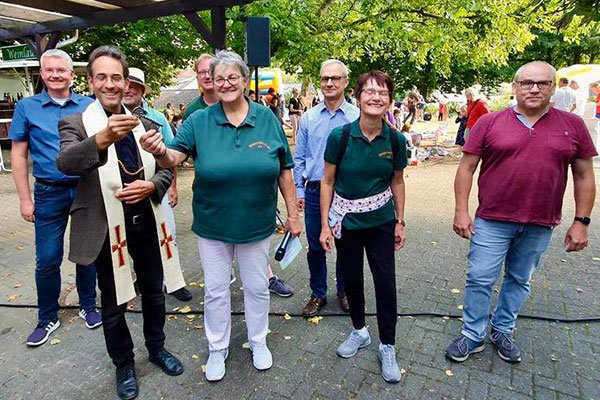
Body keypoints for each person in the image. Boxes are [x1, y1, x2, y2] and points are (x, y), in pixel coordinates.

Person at [139, 50, 302, 382]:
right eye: (219, 78)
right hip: (213, 224)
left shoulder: (266, 118)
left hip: (256, 223)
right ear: (210, 82)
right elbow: (175, 157)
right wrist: (159, 151)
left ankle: (258, 341)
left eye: (232, 77)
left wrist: (294, 215)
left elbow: (285, 170)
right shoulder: (200, 120)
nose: (226, 84)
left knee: (257, 287)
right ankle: (217, 348)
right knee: (215, 290)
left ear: (244, 80)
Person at [446, 61, 597, 364]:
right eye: (527, 83)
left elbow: (584, 176)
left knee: (519, 279)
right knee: (479, 277)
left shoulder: (573, 125)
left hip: (541, 222)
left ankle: (503, 328)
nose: (534, 88)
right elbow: (466, 168)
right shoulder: (490, 122)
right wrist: (461, 211)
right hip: (492, 219)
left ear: (553, 88)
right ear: (515, 87)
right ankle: (473, 334)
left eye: (542, 83)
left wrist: (581, 222)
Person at [57, 46, 185, 400]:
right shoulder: (77, 123)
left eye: (116, 77)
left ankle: (156, 348)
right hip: (105, 229)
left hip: (147, 221)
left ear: (125, 81)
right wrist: (102, 138)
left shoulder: (144, 123)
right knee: (114, 302)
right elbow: (66, 163)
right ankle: (123, 363)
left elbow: (165, 169)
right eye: (102, 77)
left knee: (154, 293)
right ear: (91, 82)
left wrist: (152, 185)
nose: (110, 84)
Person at [8, 49, 101, 347]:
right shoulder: (27, 107)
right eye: (50, 70)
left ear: (72, 75)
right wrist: (25, 198)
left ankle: (89, 306)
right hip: (48, 191)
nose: (56, 74)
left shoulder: (89, 105)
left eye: (61, 70)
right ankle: (47, 316)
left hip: (86, 187)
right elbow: (19, 155)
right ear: (42, 73)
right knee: (47, 258)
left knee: (86, 253)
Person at [320, 70, 407, 383]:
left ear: (389, 100)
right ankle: (359, 331)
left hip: (382, 222)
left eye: (382, 92)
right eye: (369, 91)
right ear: (358, 97)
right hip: (347, 222)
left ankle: (387, 345)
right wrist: (325, 226)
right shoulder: (340, 137)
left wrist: (399, 221)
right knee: (352, 280)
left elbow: (397, 181)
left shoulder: (396, 140)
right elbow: (327, 181)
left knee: (385, 283)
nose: (375, 97)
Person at [293, 59, 360, 317]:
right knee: (315, 245)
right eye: (325, 79)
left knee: (346, 244)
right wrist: (299, 191)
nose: (329, 83)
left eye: (335, 78)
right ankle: (318, 293)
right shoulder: (309, 118)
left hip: (346, 193)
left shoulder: (357, 117)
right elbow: (299, 159)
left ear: (345, 82)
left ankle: (344, 291)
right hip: (313, 191)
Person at [123, 67, 193, 302]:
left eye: (135, 86)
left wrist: (172, 187)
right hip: (124, 193)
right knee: (131, 240)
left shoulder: (157, 118)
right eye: (127, 85)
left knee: (167, 234)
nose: (129, 90)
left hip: (157, 187)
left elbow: (171, 153)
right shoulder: (105, 118)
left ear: (142, 91)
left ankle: (173, 280)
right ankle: (142, 278)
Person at [182, 53, 219, 121]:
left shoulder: (230, 105)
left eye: (210, 71)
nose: (207, 76)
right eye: (202, 72)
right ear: (197, 78)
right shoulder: (191, 112)